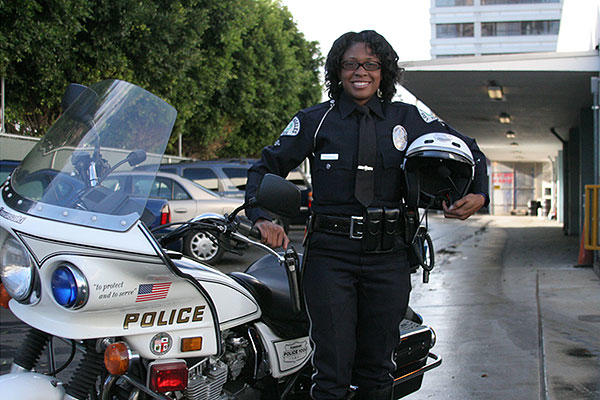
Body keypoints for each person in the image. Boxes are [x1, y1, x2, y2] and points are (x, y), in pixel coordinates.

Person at [245, 30, 488, 400]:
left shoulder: (408, 118)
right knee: (331, 373)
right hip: (330, 258)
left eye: (371, 64)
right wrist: (262, 215)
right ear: (337, 70)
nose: (361, 71)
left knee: (378, 373)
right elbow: (264, 169)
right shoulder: (316, 120)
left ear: (384, 71)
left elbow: (470, 150)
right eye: (351, 64)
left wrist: (478, 194)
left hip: (388, 258)